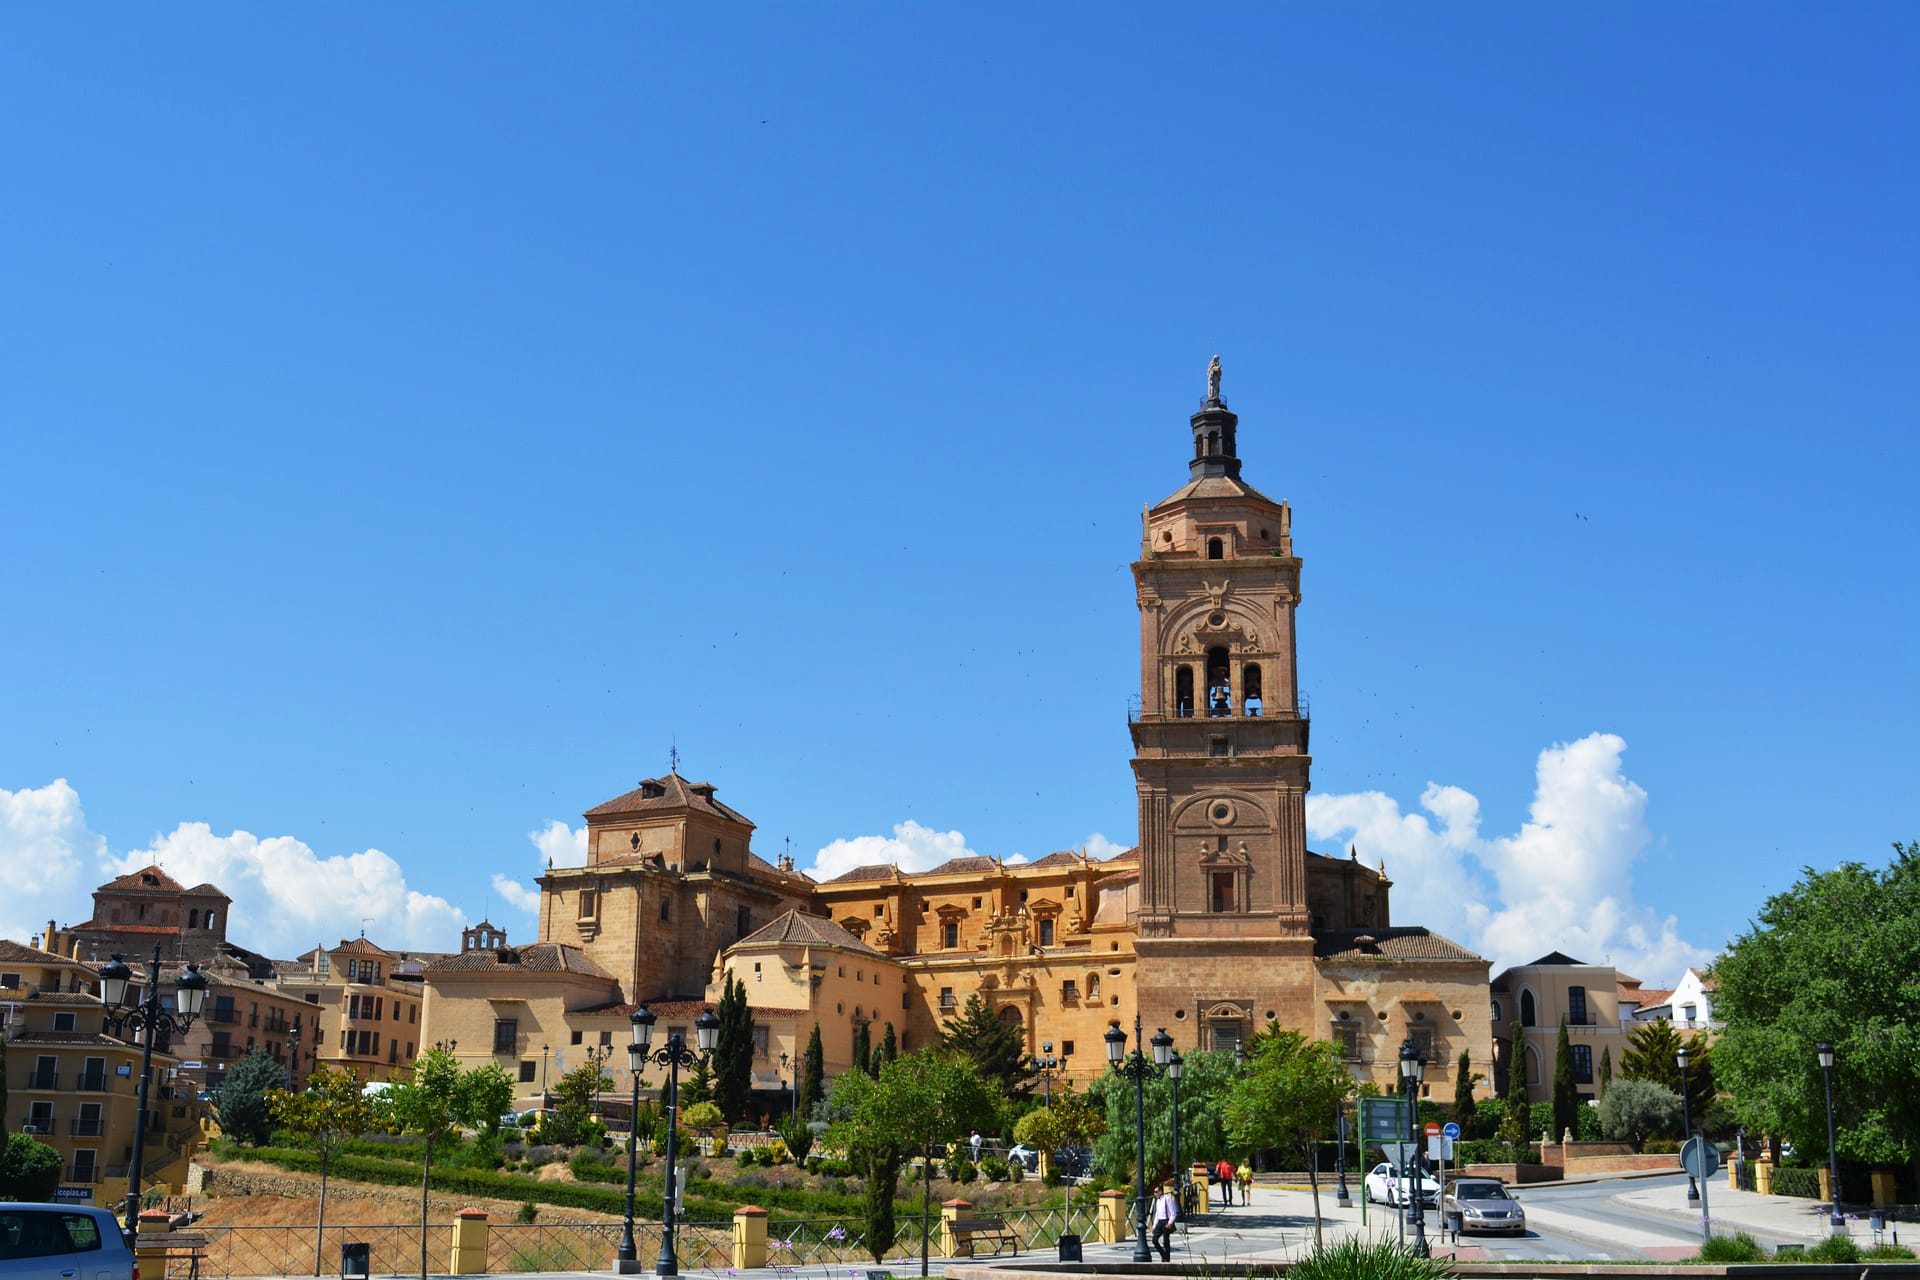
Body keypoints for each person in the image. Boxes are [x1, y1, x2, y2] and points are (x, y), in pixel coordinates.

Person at [1150, 1182, 1179, 1262]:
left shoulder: (1167, 1199)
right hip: (1160, 1221)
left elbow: (1173, 1212)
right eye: (1154, 1192)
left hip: (1166, 1221)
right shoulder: (1158, 1201)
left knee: (1166, 1241)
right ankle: (1163, 1255)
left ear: (1160, 1191)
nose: (1155, 1193)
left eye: (1156, 1192)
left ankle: (1166, 1259)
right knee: (1154, 1240)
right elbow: (1157, 1214)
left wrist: (1170, 1223)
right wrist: (1154, 1225)